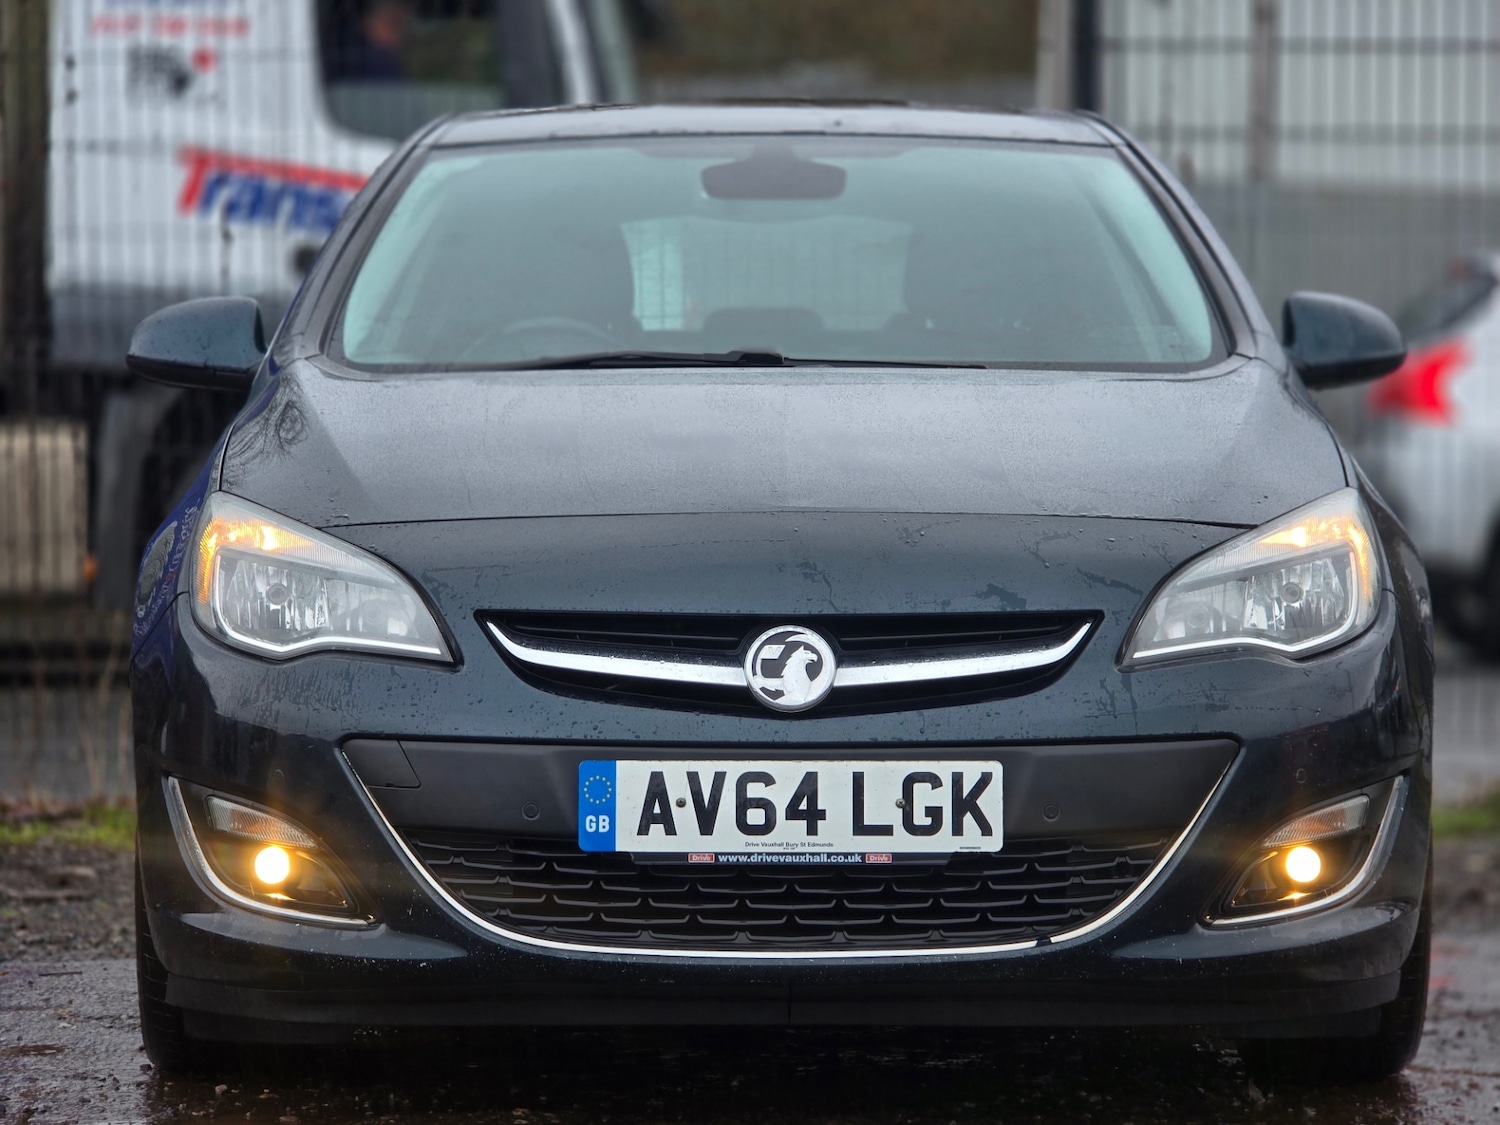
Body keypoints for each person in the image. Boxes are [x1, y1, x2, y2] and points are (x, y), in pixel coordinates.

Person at [326, 0, 413, 83]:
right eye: (393, 24)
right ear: (366, 22)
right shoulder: (358, 61)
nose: (401, 34)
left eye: (405, 26)